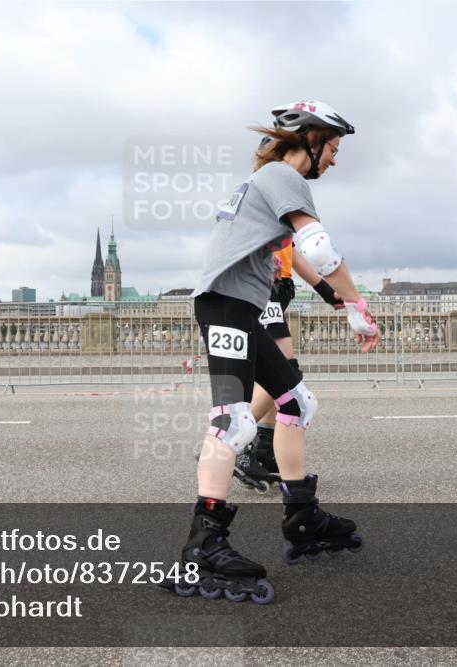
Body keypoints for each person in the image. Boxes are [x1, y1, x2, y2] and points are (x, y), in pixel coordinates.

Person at [164, 100, 380, 604]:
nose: (334, 159)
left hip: (241, 307)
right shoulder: (284, 175)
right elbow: (319, 250)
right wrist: (354, 304)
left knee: (297, 404)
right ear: (310, 138)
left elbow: (295, 259)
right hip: (225, 308)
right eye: (334, 147)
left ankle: (301, 517)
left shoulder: (267, 181)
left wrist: (335, 298)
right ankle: (204, 545)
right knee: (232, 421)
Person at [234, 241, 345, 493]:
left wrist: (325, 291)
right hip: (263, 280)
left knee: (274, 373)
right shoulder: (268, 205)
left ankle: (263, 442)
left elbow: (291, 252)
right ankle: (234, 441)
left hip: (276, 284)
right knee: (285, 373)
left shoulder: (281, 215)